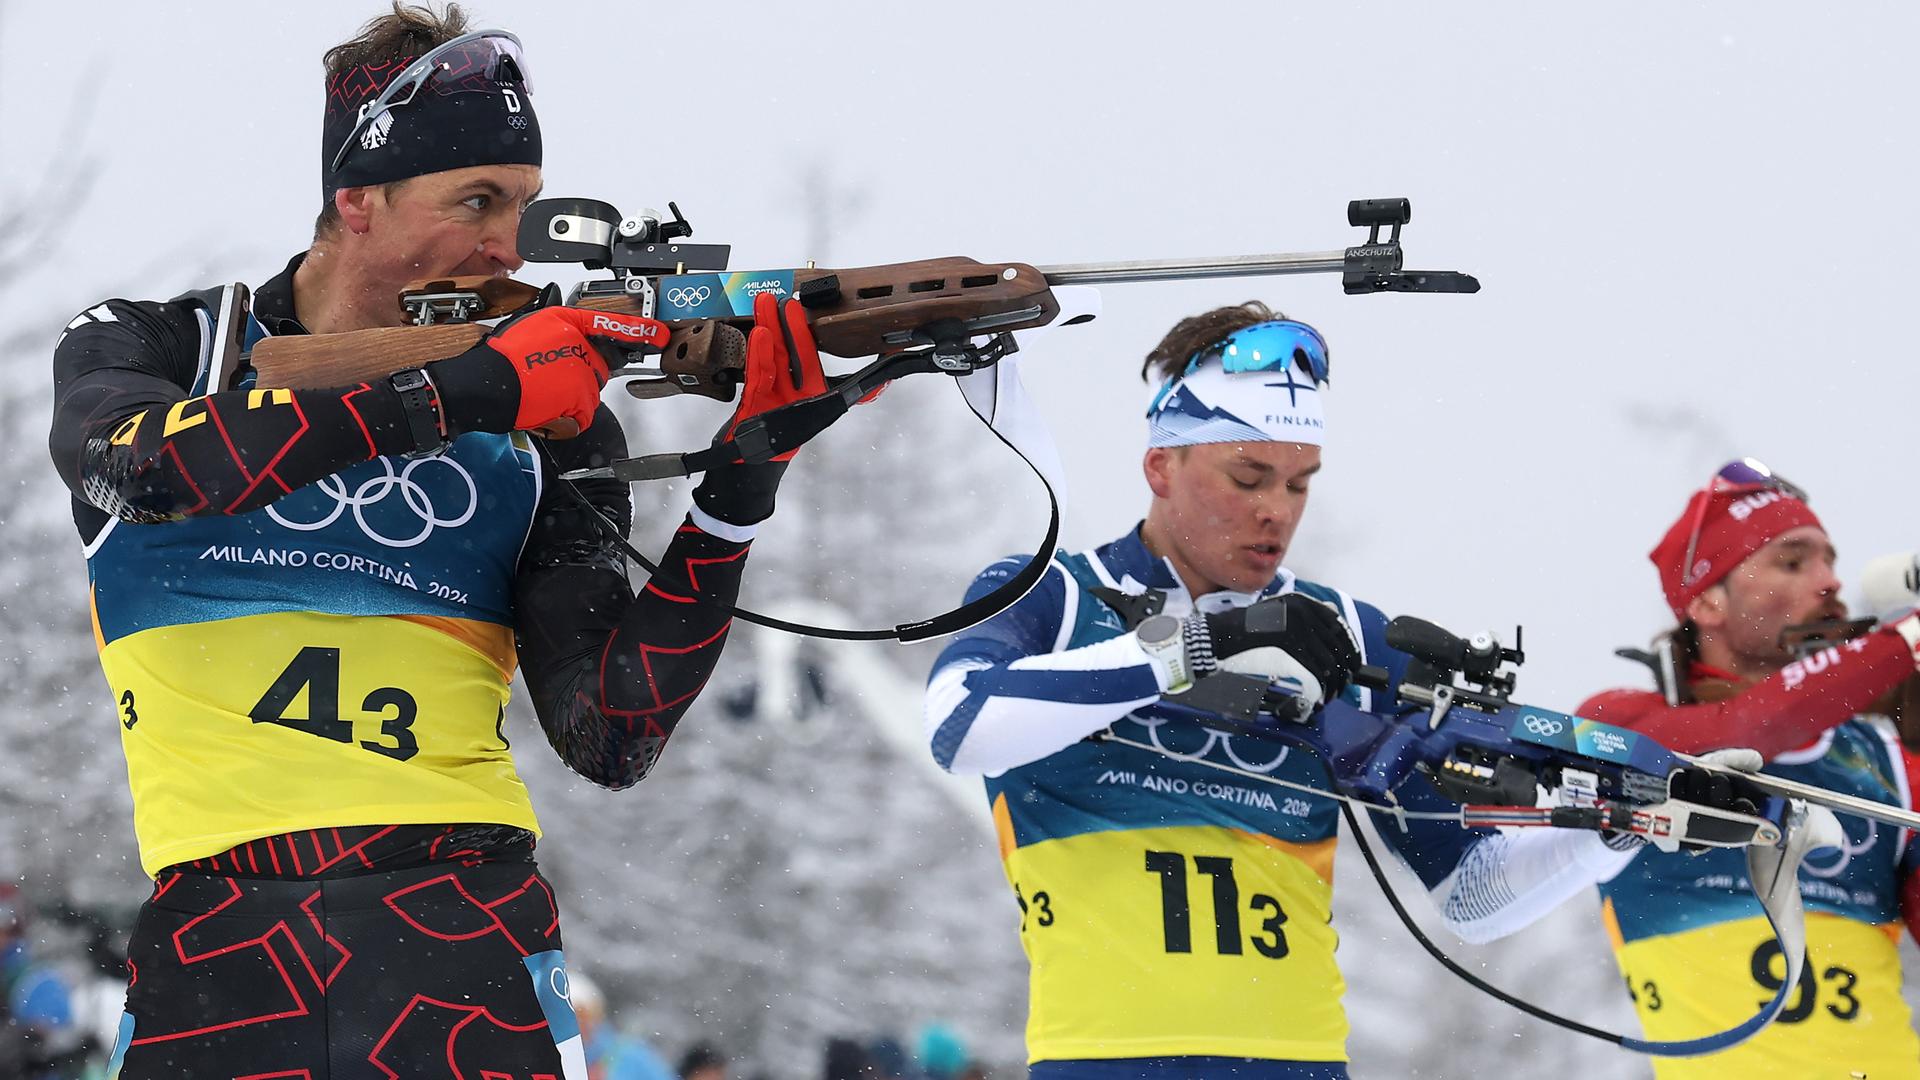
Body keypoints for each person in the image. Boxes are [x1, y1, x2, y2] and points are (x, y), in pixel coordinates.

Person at [47, 5, 840, 1075]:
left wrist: (737, 495)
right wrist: (463, 392)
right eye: (475, 201)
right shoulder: (169, 345)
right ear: (357, 201)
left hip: (461, 931)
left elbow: (609, 731)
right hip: (218, 948)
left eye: (524, 204)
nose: (509, 244)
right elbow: (139, 467)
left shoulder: (550, 422)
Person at [923, 303, 1643, 1078]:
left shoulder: (1341, 634)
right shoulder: (1057, 596)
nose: (1277, 510)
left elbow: (1468, 892)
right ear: (1161, 466)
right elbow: (959, 725)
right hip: (1103, 1060)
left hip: (1296, 1062)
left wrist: (1608, 834)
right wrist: (1197, 648)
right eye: (1247, 476)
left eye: (1301, 483)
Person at [1577, 461, 1920, 1079]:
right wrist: (1907, 640)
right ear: (1708, 599)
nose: (1830, 584)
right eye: (1793, 562)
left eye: (1829, 562)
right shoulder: (1624, 723)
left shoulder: (1886, 760)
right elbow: (1746, 733)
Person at [567, 971, 676, 1080]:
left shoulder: (631, 1056)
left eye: (582, 1016)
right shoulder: (555, 1058)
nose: (578, 1024)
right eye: (569, 1018)